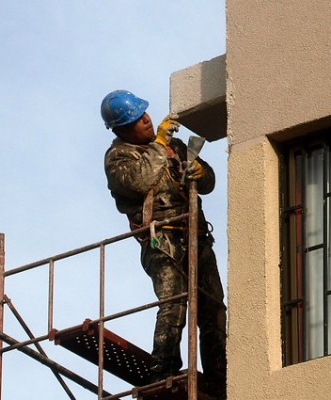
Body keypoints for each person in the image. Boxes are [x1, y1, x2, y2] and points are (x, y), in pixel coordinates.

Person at [100, 90, 227, 399]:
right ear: (122, 129)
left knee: (213, 308)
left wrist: (200, 173)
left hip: (196, 237)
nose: (146, 119)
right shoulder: (118, 158)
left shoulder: (175, 148)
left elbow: (208, 182)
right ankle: (163, 371)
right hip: (161, 240)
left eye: (144, 113)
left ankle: (220, 377)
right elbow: (139, 181)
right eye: (137, 119)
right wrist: (158, 144)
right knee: (174, 301)